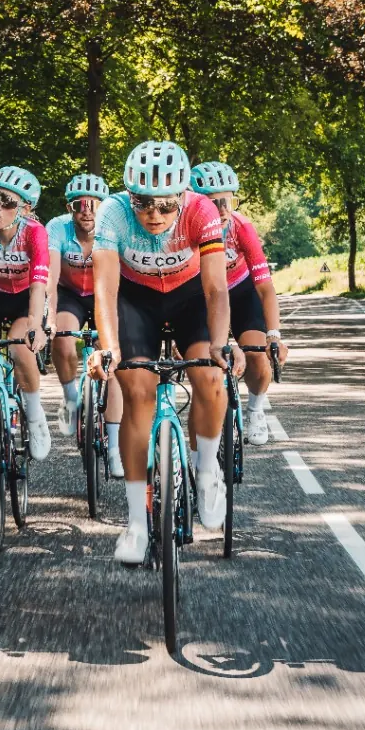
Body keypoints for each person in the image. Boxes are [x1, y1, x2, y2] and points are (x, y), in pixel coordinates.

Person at [92, 140, 242, 566]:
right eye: (143, 204)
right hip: (135, 301)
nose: (153, 215)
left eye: (165, 205)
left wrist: (218, 343)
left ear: (182, 196)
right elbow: (105, 288)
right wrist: (109, 347)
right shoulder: (113, 212)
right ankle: (137, 523)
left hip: (190, 296)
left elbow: (216, 288)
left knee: (211, 378)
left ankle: (208, 471)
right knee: (137, 392)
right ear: (129, 196)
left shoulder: (201, 211)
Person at [190, 161, 288, 444]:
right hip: (203, 294)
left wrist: (274, 335)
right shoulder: (186, 229)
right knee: (202, 358)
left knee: (258, 357)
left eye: (227, 200)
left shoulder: (241, 227)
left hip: (240, 290)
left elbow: (265, 288)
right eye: (213, 203)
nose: (222, 209)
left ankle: (256, 409)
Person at [46, 172, 123, 471]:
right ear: (70, 208)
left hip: (106, 294)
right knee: (63, 340)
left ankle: (115, 446)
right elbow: (51, 279)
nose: (86, 210)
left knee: (111, 360)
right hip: (71, 295)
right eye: (79, 204)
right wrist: (49, 318)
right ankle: (70, 399)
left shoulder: (115, 228)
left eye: (94, 204)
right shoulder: (57, 228)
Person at [0, 165, 53, 460]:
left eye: (7, 203)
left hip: (25, 299)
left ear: (25, 208)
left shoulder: (35, 233)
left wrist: (36, 323)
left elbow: (38, 285)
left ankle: (35, 417)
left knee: (21, 348)